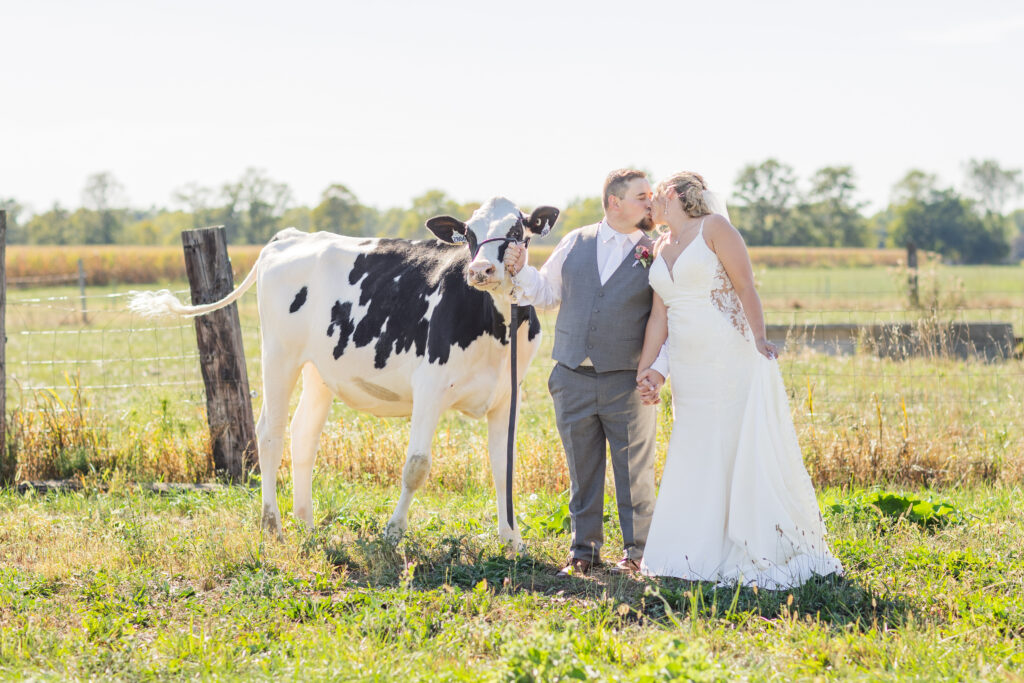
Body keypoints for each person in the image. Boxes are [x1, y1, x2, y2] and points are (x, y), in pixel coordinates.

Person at [635, 171, 843, 588]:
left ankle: (746, 539)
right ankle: (691, 548)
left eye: (652, 198)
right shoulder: (660, 245)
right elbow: (660, 315)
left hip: (727, 355)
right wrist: (645, 371)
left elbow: (746, 287)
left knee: (731, 442)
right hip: (690, 366)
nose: (647, 206)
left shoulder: (715, 228)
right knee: (695, 444)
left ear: (672, 195)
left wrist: (760, 338)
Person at [504, 169, 668, 576]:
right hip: (572, 376)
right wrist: (522, 268)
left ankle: (637, 554)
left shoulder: (657, 250)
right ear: (614, 202)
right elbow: (544, 292)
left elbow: (669, 319)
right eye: (641, 196)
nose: (650, 203)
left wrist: (657, 370)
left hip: (626, 380)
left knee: (635, 472)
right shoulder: (575, 241)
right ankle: (584, 552)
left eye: (651, 196)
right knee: (582, 469)